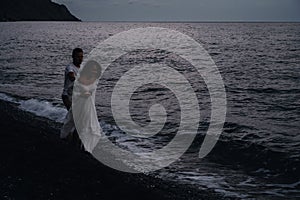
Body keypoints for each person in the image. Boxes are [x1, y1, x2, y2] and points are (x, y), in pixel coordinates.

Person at [72, 60, 103, 153]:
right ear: (88, 69)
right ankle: (75, 146)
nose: (94, 71)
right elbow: (74, 93)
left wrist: (88, 93)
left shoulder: (95, 80)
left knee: (88, 125)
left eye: (96, 70)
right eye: (92, 69)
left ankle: (85, 146)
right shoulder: (79, 79)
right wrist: (81, 94)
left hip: (89, 106)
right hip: (79, 104)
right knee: (79, 125)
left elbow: (92, 91)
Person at [60, 48, 83, 140]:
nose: (80, 59)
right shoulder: (70, 67)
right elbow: (71, 76)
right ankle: (66, 135)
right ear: (73, 57)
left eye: (81, 57)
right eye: (78, 57)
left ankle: (72, 138)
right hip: (67, 96)